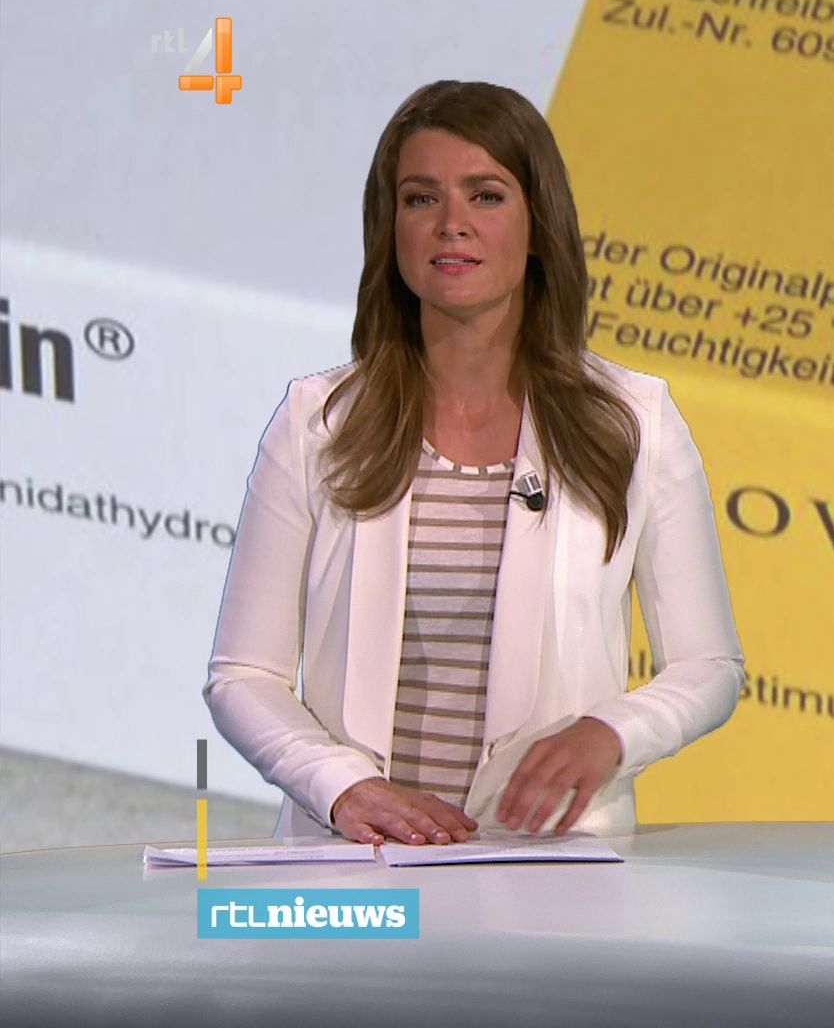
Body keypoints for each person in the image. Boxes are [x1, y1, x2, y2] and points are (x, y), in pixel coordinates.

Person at [204, 80, 745, 847]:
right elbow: (243, 675)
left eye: (485, 196)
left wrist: (614, 732)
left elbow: (709, 665)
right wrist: (340, 784)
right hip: (357, 865)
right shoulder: (317, 422)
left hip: (551, 865)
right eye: (421, 198)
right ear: (391, 228)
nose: (451, 223)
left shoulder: (634, 421)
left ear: (537, 225)